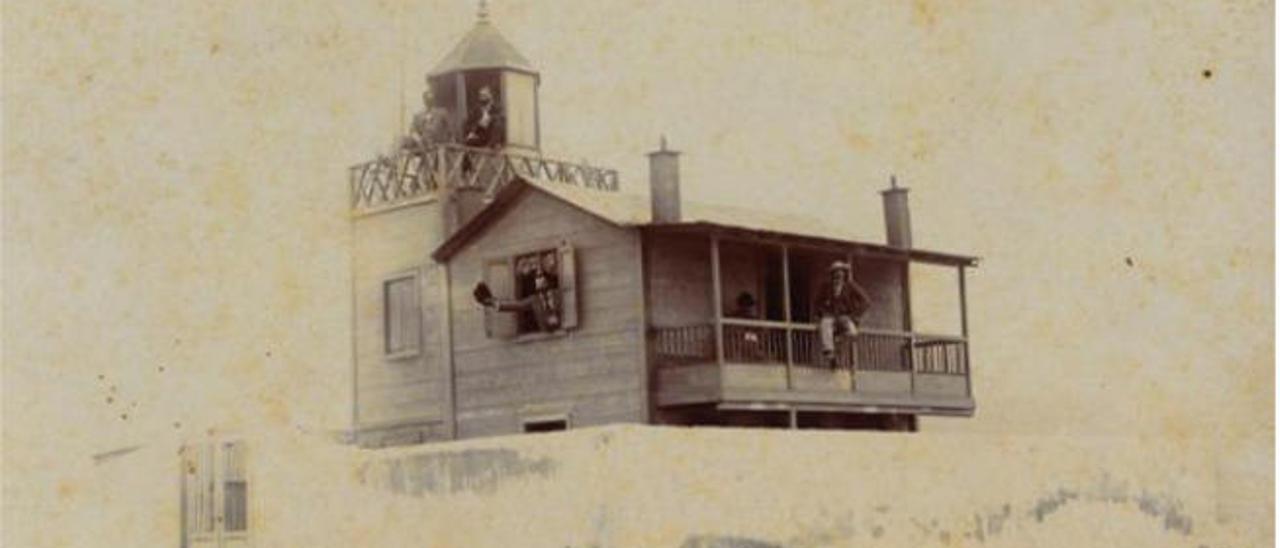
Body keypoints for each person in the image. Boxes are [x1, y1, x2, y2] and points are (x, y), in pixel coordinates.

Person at [473, 252, 562, 333]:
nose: (541, 283)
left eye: (543, 279)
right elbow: (516, 305)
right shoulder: (535, 300)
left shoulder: (559, 294)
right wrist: (491, 302)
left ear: (548, 281)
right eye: (538, 281)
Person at [813, 261, 871, 367]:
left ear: (844, 274)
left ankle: (838, 349)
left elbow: (866, 301)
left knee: (853, 333)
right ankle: (830, 354)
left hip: (845, 317)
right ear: (832, 274)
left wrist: (855, 315)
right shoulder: (826, 287)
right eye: (835, 273)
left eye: (841, 272)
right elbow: (816, 302)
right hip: (830, 316)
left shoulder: (850, 286)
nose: (838, 276)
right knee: (825, 324)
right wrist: (821, 313)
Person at [401, 87, 453, 154]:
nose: (429, 101)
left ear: (434, 100)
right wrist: (418, 139)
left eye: (431, 99)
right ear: (424, 100)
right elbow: (413, 130)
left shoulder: (442, 113)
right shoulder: (418, 116)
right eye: (427, 99)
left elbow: (450, 131)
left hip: (440, 148)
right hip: (424, 148)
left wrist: (448, 144)